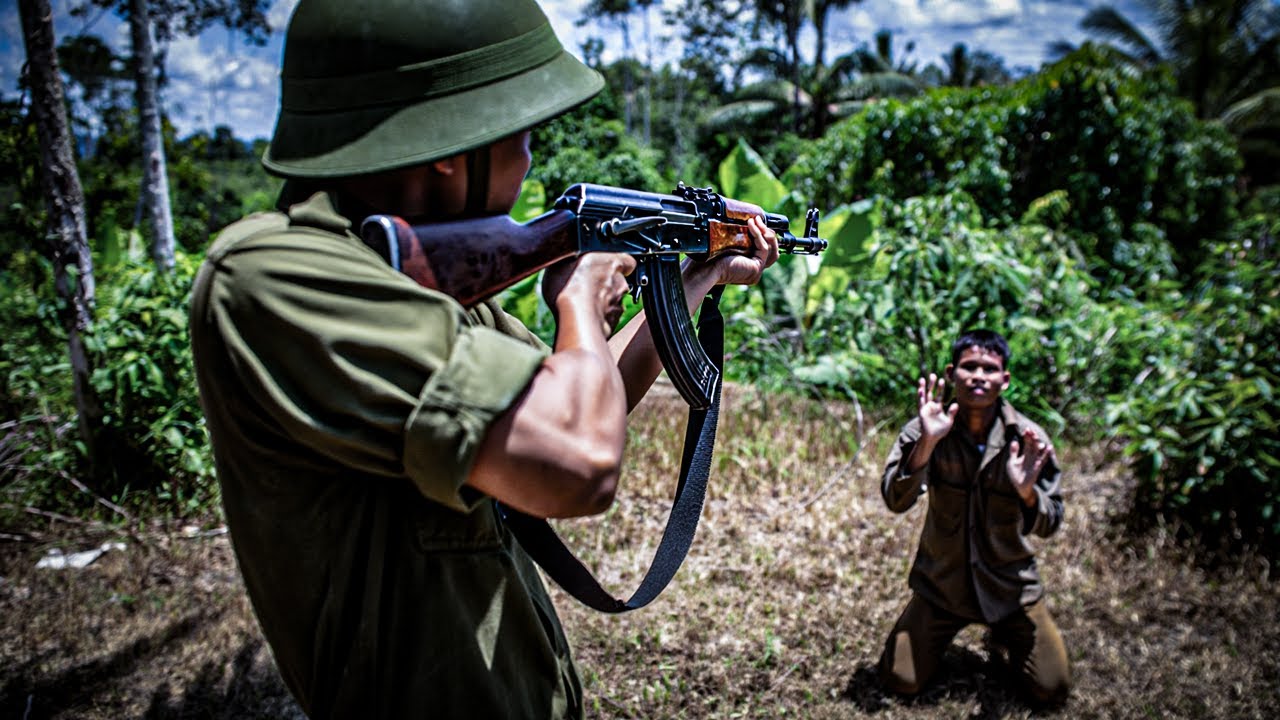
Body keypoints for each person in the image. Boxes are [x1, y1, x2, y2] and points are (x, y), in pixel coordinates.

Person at [188, 1, 779, 718]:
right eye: (521, 135)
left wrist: (692, 280)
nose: (529, 159)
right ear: (449, 145)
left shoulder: (423, 279)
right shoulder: (273, 274)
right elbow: (579, 461)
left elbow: (588, 403)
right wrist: (580, 299)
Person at [877, 329, 1070, 705]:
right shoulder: (925, 427)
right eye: (969, 367)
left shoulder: (1029, 439)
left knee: (1052, 689)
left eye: (989, 368)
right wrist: (927, 445)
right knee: (900, 681)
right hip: (942, 585)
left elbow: (1052, 522)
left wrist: (1027, 492)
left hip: (1010, 588)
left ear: (1005, 379)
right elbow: (895, 500)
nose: (979, 375)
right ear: (951, 374)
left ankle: (1003, 635)